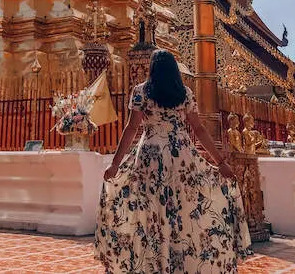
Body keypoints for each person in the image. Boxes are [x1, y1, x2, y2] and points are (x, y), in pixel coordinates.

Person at [95, 49, 251, 273]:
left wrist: (116, 164)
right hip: (181, 156)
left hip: (150, 156)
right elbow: (198, 129)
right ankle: (179, 264)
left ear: (153, 68)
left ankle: (156, 264)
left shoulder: (141, 92)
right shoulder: (184, 94)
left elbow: (131, 129)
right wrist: (219, 162)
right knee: (180, 210)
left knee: (152, 212)